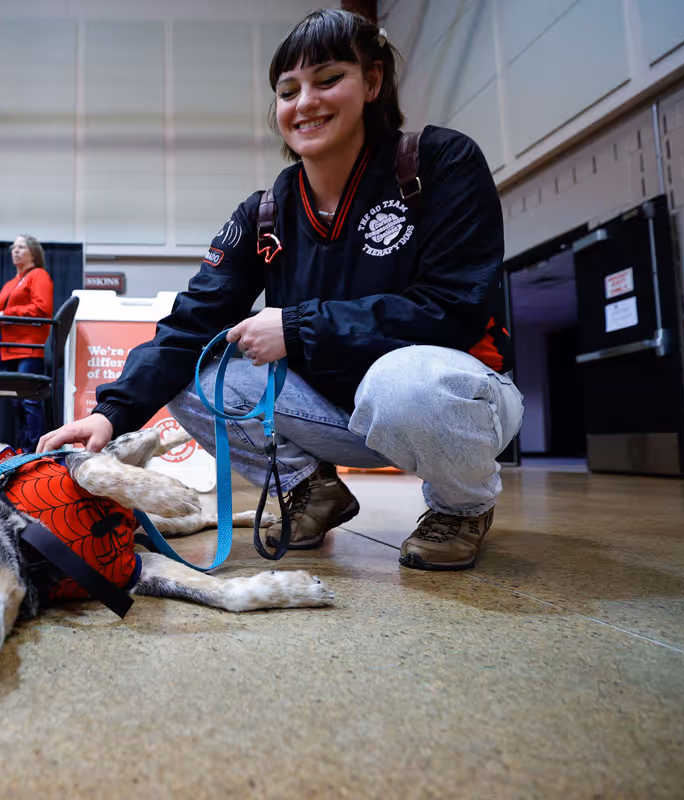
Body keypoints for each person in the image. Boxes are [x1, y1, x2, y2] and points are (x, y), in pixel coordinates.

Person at [39, 9, 524, 572]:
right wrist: (111, 414)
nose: (305, 102)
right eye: (288, 90)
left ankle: (460, 506)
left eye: (327, 79)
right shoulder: (264, 212)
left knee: (401, 382)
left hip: (449, 400)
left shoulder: (439, 162)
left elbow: (453, 309)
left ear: (372, 82)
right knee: (199, 370)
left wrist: (296, 326)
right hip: (343, 415)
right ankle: (311, 489)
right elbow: (192, 321)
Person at [0, 235, 54, 453]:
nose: (15, 250)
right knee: (16, 403)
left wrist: (6, 314)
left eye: (21, 247)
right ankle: (24, 449)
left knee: (29, 402)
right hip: (8, 350)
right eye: (13, 247)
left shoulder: (39, 275)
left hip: (29, 348)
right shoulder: (11, 282)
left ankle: (35, 452)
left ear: (33, 253)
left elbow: (41, 309)